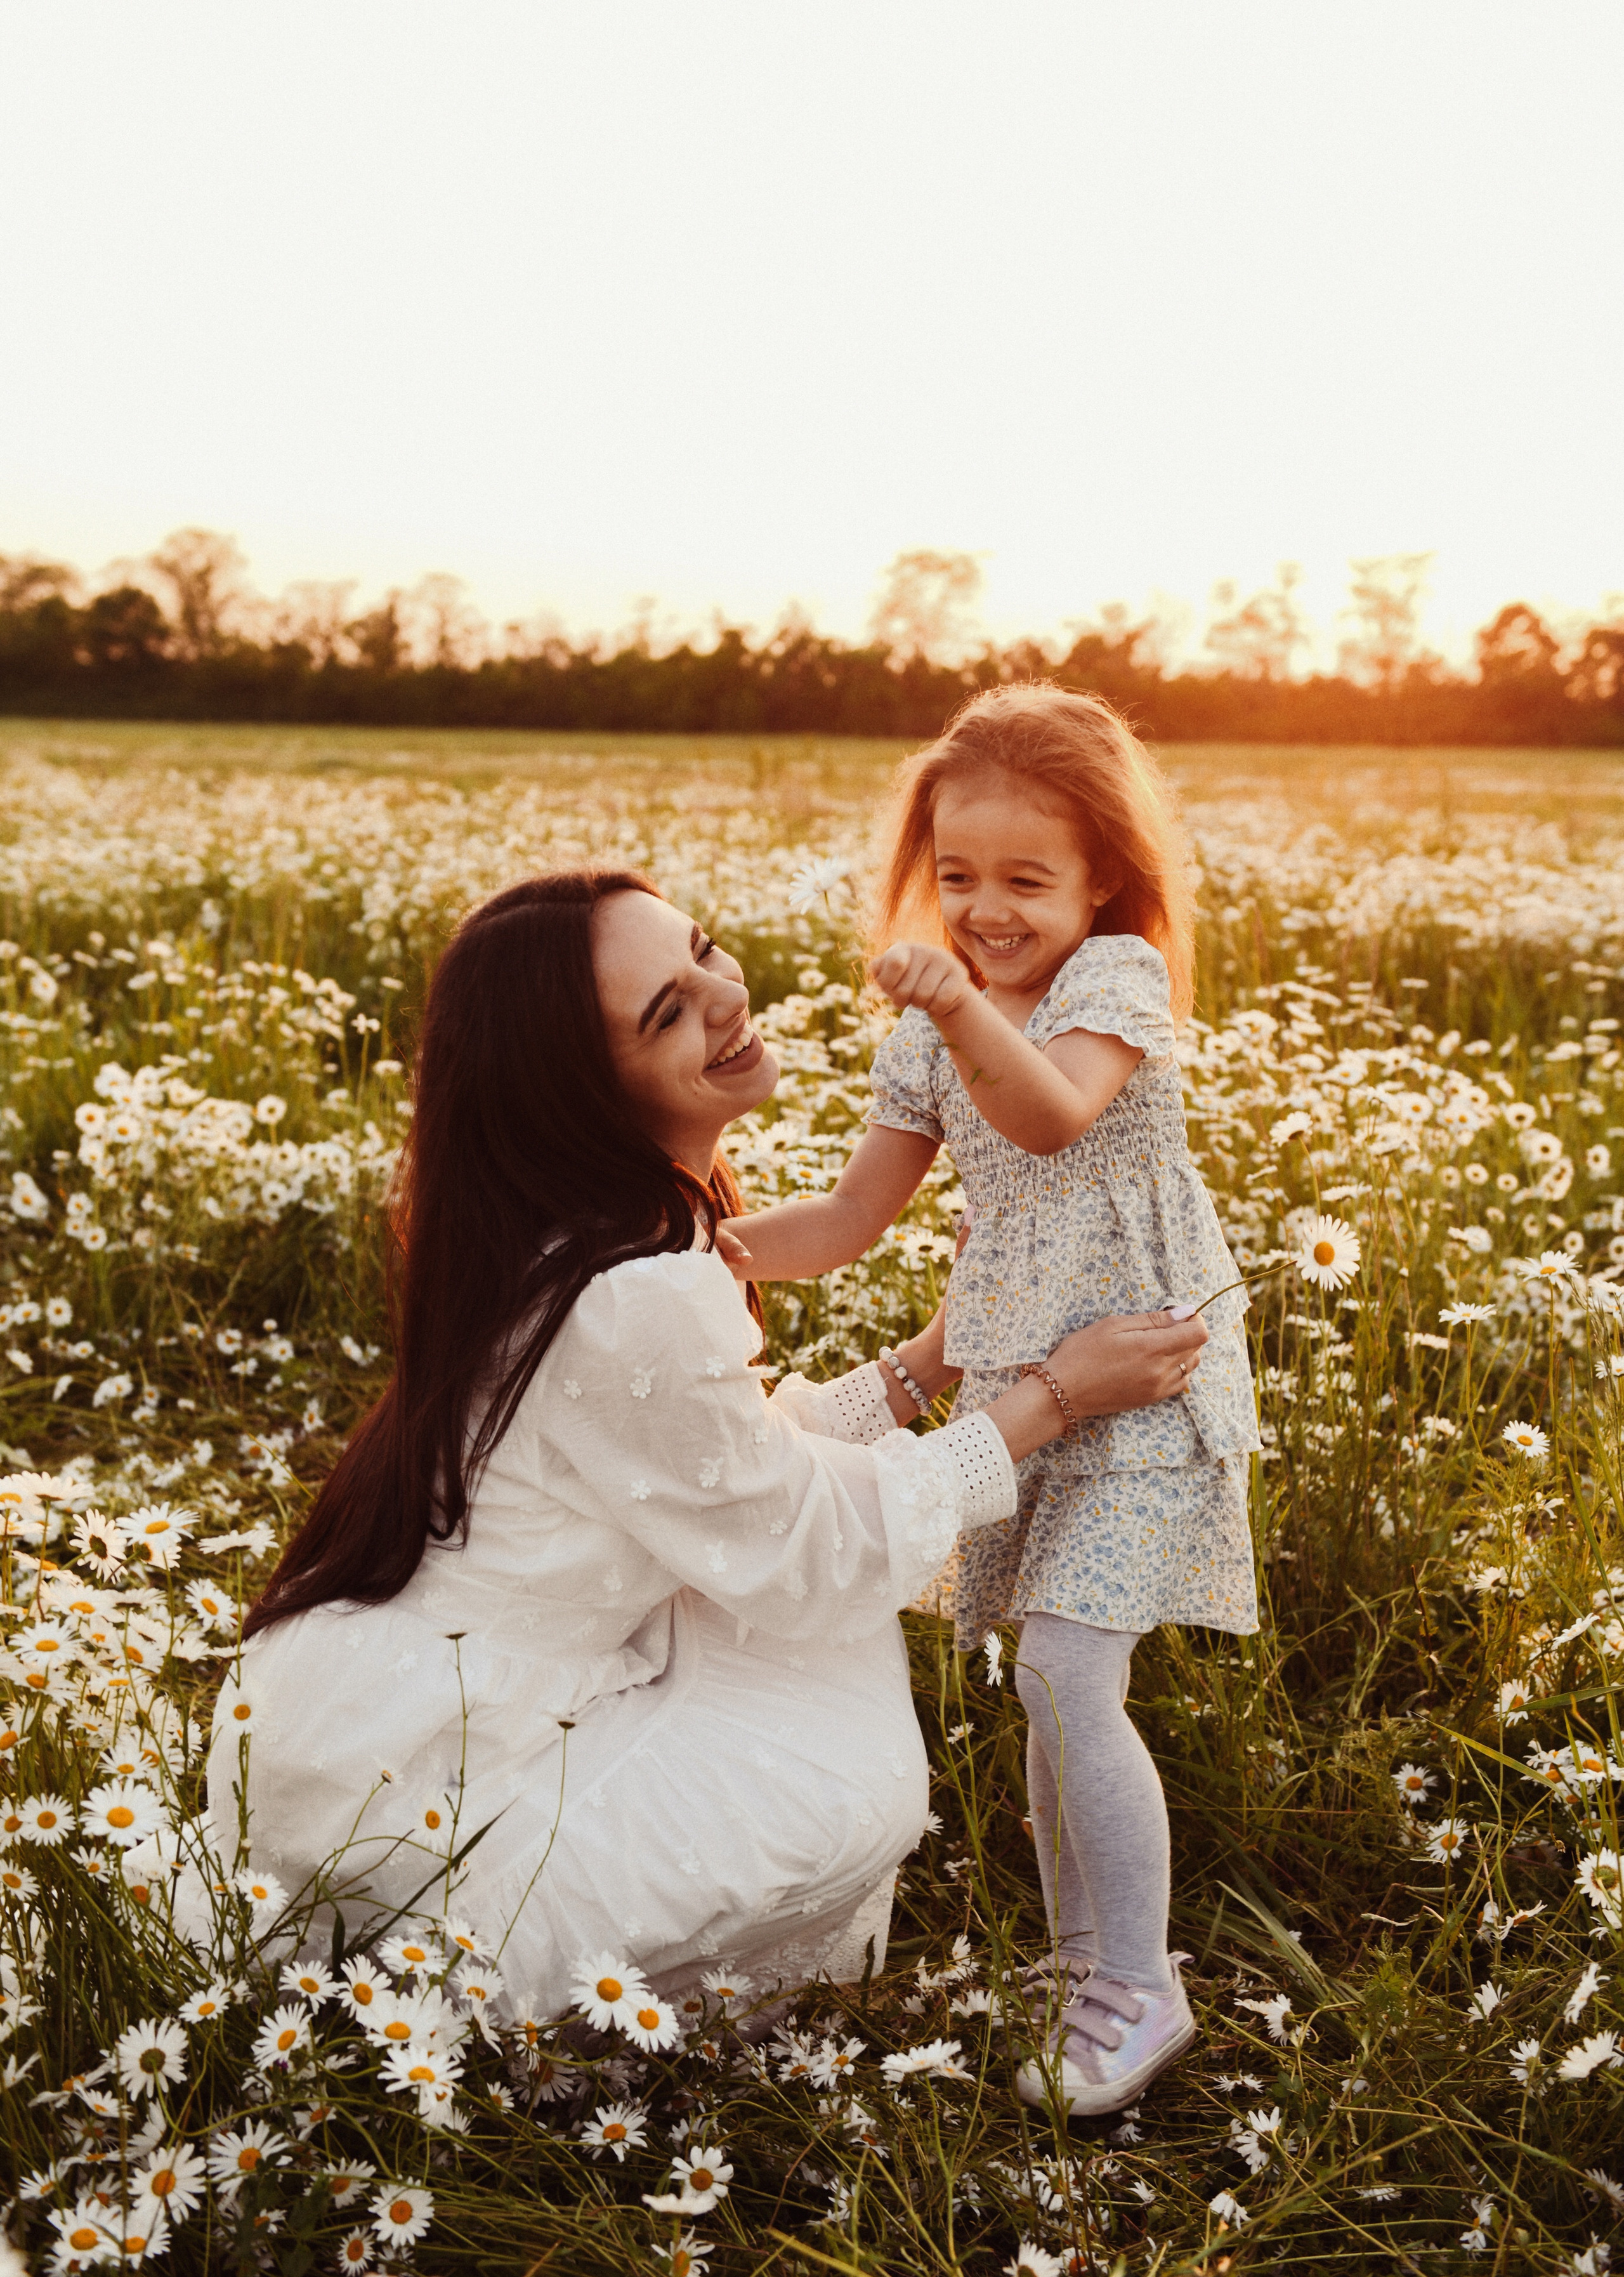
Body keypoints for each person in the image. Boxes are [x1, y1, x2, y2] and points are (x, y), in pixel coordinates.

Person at [208, 867, 1207, 2028]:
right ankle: (517, 1997)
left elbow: (716, 1465)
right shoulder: (629, 1288)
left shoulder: (585, 1228)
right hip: (443, 1785)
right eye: (665, 1012)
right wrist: (1053, 1396)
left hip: (376, 1720)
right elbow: (805, 1546)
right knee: (858, 1787)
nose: (724, 999)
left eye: (704, 953)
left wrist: (934, 1357)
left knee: (786, 1610)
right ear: (580, 1091)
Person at [724, 685, 1261, 2113]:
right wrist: (699, 1240)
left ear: (1102, 882)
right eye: (956, 878)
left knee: (1066, 1677)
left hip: (1144, 1372)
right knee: (1044, 1689)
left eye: (1027, 880)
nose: (984, 911)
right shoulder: (923, 1036)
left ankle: (1139, 1992)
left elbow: (1048, 1114)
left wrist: (960, 1003)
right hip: (1028, 1382)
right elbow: (848, 1217)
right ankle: (1090, 1960)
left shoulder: (1113, 982)